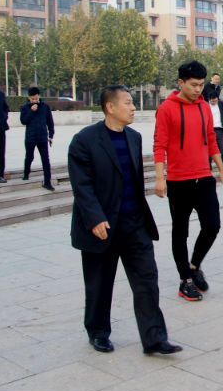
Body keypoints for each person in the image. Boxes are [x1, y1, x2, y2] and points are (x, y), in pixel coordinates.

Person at [68, 84, 181, 355]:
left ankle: (154, 338)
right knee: (99, 285)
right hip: (102, 226)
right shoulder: (84, 140)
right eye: (128, 103)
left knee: (147, 281)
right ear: (110, 107)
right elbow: (82, 185)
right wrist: (95, 218)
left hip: (134, 224)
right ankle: (98, 332)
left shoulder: (133, 137)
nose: (133, 108)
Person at [154, 61, 223, 301]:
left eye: (201, 85)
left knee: (212, 225)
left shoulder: (204, 107)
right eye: (194, 85)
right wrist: (160, 178)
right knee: (180, 232)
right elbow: (159, 145)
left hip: (204, 177)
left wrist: (222, 169)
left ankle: (194, 266)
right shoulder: (166, 109)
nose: (198, 90)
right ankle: (184, 280)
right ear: (181, 83)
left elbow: (211, 139)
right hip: (178, 181)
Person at [20, 87, 55, 191]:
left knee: (45, 160)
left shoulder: (45, 107)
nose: (34, 100)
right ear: (29, 97)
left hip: (42, 137)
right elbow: (23, 121)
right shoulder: (25, 107)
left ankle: (47, 182)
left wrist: (51, 135)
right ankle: (26, 173)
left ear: (39, 96)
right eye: (32, 99)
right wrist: (31, 111)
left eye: (36, 98)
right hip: (30, 137)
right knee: (29, 157)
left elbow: (50, 122)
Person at [204, 87, 223, 167]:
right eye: (212, 101)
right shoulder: (205, 105)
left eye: (215, 101)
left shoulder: (220, 104)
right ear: (209, 99)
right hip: (209, 131)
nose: (214, 102)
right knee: (209, 153)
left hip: (219, 131)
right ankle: (209, 169)